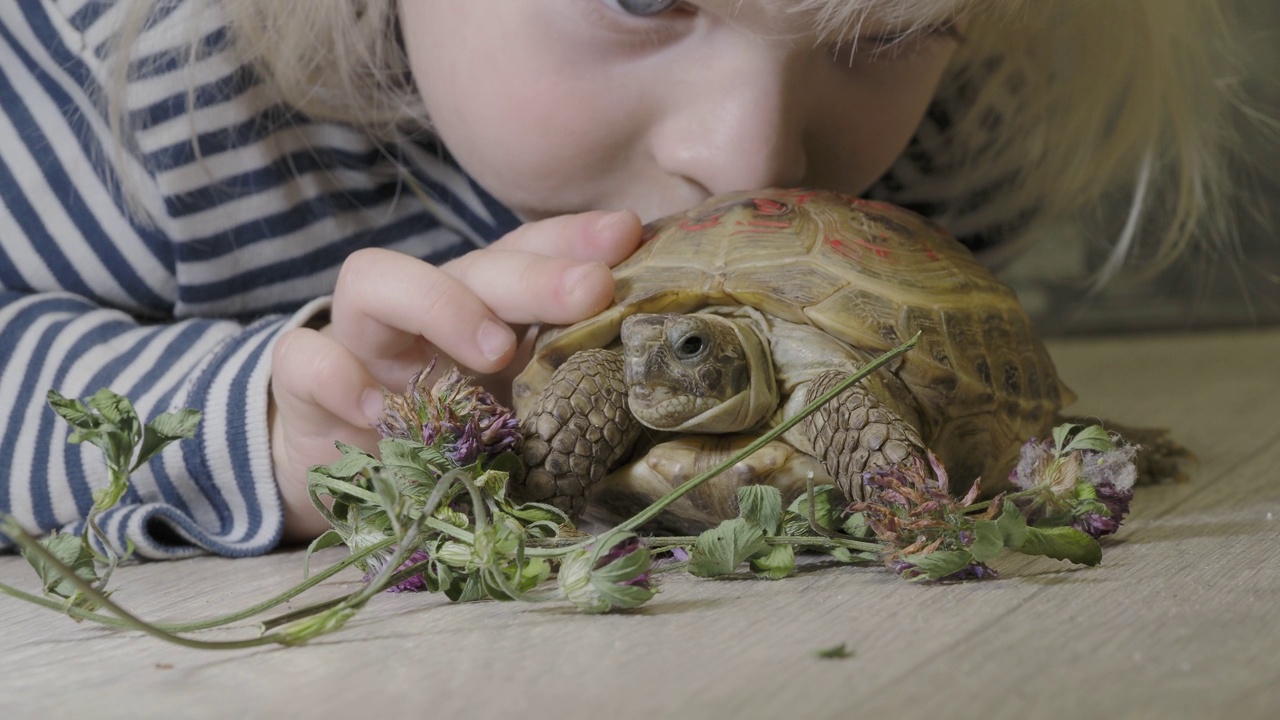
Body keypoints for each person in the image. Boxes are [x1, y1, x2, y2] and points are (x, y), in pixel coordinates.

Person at [0, 0, 1257, 558]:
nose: (750, 152)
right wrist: (248, 422)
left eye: (873, 35)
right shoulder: (149, 106)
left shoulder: (951, 129)